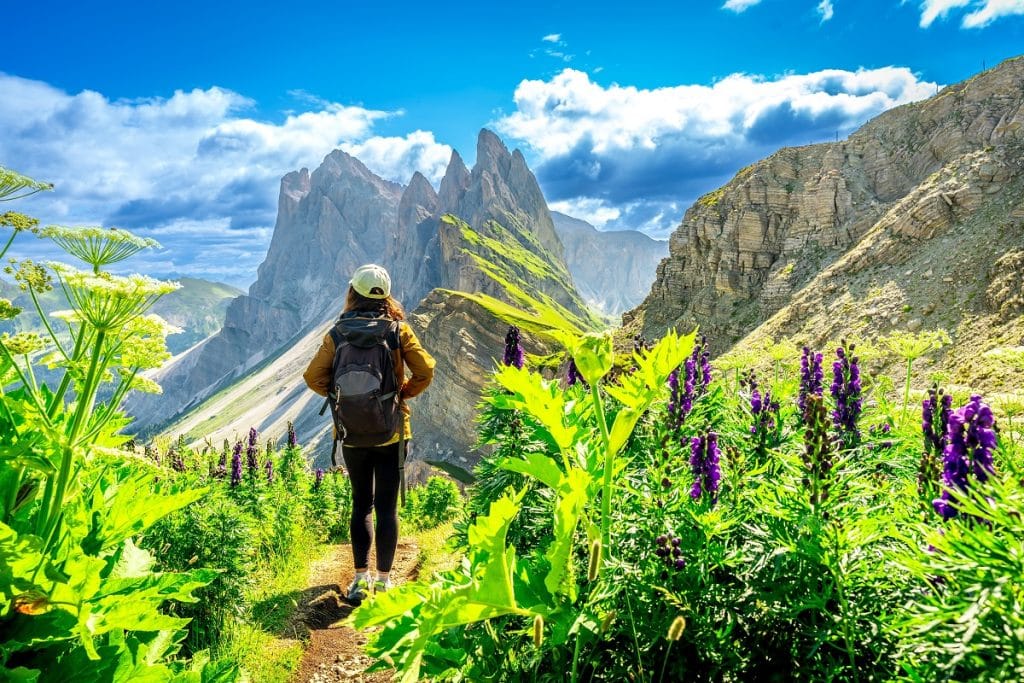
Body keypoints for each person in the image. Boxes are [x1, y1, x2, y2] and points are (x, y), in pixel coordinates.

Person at [303, 264, 435, 602]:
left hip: (351, 433)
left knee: (361, 503)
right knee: (387, 509)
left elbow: (312, 377)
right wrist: (401, 394)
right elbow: (426, 369)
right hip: (391, 431)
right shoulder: (398, 331)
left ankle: (359, 580)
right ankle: (384, 581)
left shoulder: (337, 333)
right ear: (386, 295)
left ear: (353, 293)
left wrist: (344, 399)